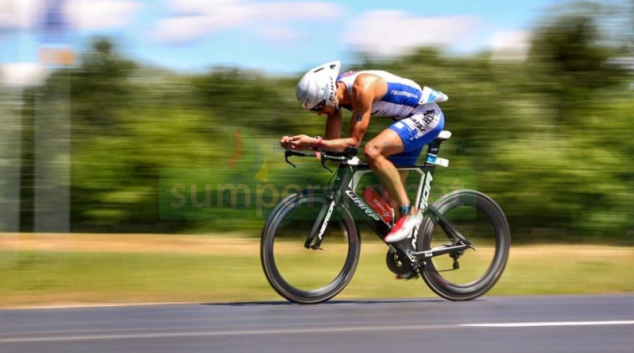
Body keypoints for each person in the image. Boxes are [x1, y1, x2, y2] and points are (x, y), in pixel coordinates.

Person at [280, 61, 447, 244]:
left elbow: (352, 143)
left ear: (328, 95)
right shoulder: (335, 100)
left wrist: (315, 142)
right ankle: (411, 254)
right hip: (406, 119)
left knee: (372, 151)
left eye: (318, 108)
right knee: (392, 198)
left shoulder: (362, 88)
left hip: (426, 115)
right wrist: (308, 144)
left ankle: (409, 214)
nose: (319, 114)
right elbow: (332, 144)